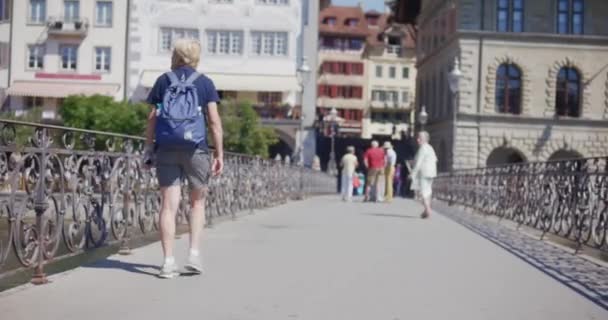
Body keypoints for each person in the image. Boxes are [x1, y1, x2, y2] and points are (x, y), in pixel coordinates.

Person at [144, 39, 224, 278]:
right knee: (197, 203)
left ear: (175, 56)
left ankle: (168, 262)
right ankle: (194, 256)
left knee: (168, 206)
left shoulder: (163, 80)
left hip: (166, 147)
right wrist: (219, 153)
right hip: (197, 148)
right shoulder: (205, 83)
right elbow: (214, 121)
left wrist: (148, 148)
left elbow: (152, 118)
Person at [410, 131, 438, 219]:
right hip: (432, 172)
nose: (417, 140)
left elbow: (418, 163)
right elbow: (435, 159)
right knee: (428, 191)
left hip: (424, 172)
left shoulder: (423, 148)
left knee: (423, 192)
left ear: (425, 139)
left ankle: (428, 210)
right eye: (418, 138)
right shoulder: (430, 148)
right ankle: (426, 211)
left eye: (420, 138)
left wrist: (412, 174)